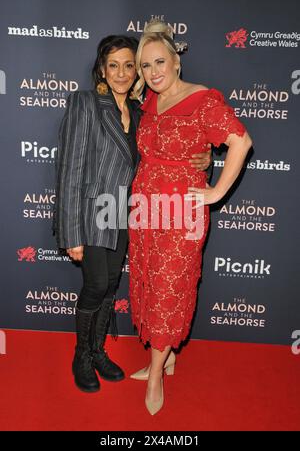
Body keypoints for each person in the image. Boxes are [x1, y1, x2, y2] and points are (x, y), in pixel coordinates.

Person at [54, 34, 211, 393]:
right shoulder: (86, 103)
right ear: (102, 69)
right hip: (91, 212)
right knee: (95, 285)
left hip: (126, 215)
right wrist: (71, 232)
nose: (122, 73)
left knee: (109, 286)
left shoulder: (144, 111)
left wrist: (204, 162)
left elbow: (168, 156)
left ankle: (97, 351)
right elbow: (69, 169)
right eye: (114, 65)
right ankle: (81, 355)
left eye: (129, 65)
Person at [128, 20, 252, 415]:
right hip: (146, 208)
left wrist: (215, 192)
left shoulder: (204, 100)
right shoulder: (150, 101)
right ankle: (165, 359)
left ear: (177, 61)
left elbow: (240, 141)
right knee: (150, 281)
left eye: (160, 62)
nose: (153, 72)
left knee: (169, 289)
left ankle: (155, 376)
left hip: (181, 213)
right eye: (146, 66)